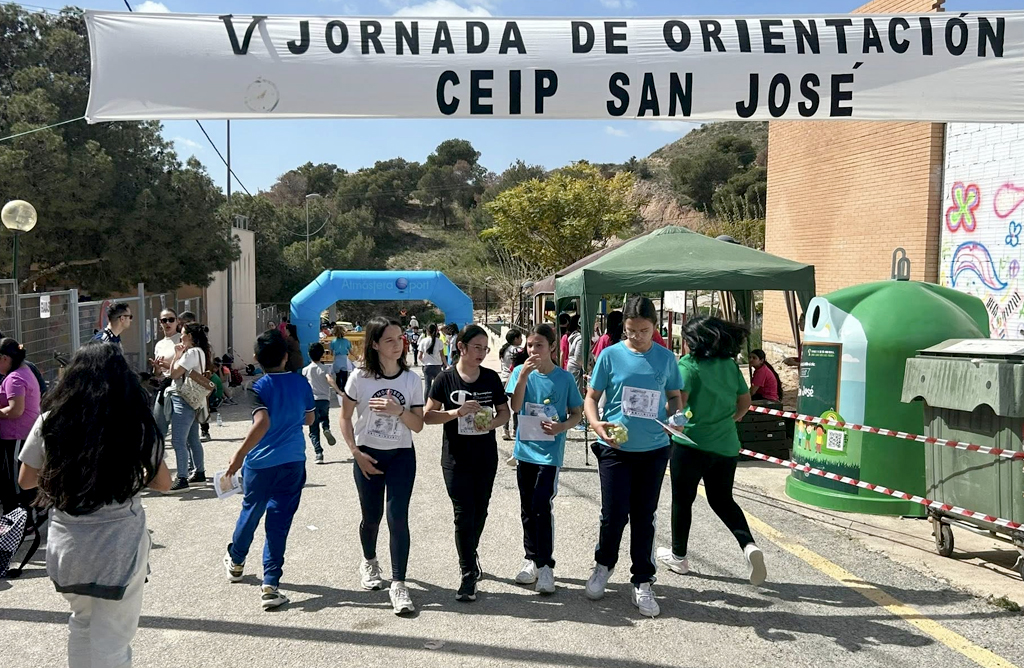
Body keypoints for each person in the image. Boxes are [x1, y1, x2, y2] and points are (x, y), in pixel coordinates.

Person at [18, 343, 172, 667]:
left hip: (69, 544)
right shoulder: (136, 421)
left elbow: (25, 480)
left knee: (82, 622)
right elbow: (163, 483)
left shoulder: (50, 420)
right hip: (120, 544)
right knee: (113, 638)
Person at [583, 295, 683, 618]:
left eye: (644, 330)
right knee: (613, 513)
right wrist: (597, 424)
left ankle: (642, 580)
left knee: (644, 516)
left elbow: (673, 397)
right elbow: (592, 397)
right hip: (615, 449)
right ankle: (603, 565)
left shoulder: (666, 359)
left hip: (654, 450)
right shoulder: (610, 356)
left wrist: (676, 417)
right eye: (631, 331)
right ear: (623, 328)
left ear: (655, 327)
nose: (638, 337)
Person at [657, 316, 766, 587]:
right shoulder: (729, 366)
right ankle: (748, 545)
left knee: (683, 500)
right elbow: (745, 401)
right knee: (723, 500)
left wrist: (670, 423)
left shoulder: (689, 366)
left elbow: (677, 407)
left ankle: (679, 556)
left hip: (691, 445)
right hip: (726, 446)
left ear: (695, 340)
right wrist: (733, 419)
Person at [223, 329, 315, 610]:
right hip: (292, 461)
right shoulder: (301, 384)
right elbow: (309, 420)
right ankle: (271, 583)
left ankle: (236, 561)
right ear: (286, 357)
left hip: (260, 463)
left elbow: (261, 422)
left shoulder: (258, 387)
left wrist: (238, 456)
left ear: (256, 358)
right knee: (279, 521)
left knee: (250, 511)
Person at [340, 316, 424, 615]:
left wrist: (398, 410)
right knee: (372, 517)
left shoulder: (412, 380)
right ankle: (370, 561)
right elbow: (345, 417)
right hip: (367, 455)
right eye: (389, 340)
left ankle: (399, 585)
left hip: (401, 456)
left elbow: (418, 426)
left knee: (397, 518)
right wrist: (355, 452)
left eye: (400, 338)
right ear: (374, 344)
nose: (398, 344)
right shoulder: (360, 378)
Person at [424, 325, 511, 602]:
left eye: (485, 349)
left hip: (485, 457)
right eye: (477, 347)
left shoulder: (490, 378)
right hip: (455, 459)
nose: (482, 353)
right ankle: (467, 573)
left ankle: (469, 554)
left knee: (480, 511)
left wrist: (491, 424)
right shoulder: (444, 379)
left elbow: (504, 412)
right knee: (463, 513)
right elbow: (427, 416)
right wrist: (456, 413)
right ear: (461, 347)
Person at [507, 324, 583, 594]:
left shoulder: (564, 378)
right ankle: (531, 560)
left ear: (552, 347)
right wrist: (524, 377)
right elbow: (515, 407)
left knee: (541, 503)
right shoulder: (519, 372)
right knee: (527, 506)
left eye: (539, 345)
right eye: (529, 345)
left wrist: (562, 427)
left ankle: (546, 564)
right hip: (524, 451)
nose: (533, 350)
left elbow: (576, 413)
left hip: (549, 453)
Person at [166, 322, 212, 492]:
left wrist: (177, 355)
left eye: (183, 333)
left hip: (182, 398)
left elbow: (173, 374)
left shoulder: (190, 353)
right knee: (193, 439)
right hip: (194, 400)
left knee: (178, 440)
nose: (180, 336)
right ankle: (199, 472)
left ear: (190, 336)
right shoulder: (200, 352)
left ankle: (182, 477)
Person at [0, 338, 41, 513]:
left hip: (17, 437)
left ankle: (25, 524)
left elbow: (15, 411)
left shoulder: (14, 378)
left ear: (4, 358)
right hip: (24, 435)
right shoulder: (25, 370)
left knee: (17, 483)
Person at [302, 342, 340, 464]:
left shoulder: (305, 370)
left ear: (309, 354)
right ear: (322, 355)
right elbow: (329, 379)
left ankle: (319, 453)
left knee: (313, 428)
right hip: (324, 399)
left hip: (312, 401)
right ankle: (326, 428)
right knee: (324, 417)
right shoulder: (325, 368)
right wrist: (338, 390)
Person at [499, 329, 524, 442]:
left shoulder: (504, 350)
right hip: (515, 380)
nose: (522, 339)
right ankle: (516, 429)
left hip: (504, 378)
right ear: (515, 338)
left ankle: (505, 430)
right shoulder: (519, 351)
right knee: (516, 407)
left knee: (506, 407)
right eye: (520, 337)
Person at [565, 314, 587, 432]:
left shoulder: (575, 336)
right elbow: (579, 357)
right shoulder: (580, 338)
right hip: (576, 368)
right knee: (577, 393)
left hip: (574, 366)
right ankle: (577, 420)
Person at [418, 323, 445, 398]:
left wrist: (425, 362)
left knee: (427, 386)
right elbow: (442, 355)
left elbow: (419, 356)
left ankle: (427, 404)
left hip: (427, 367)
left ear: (427, 331)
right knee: (438, 386)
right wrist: (446, 364)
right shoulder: (439, 341)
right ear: (436, 331)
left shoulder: (423, 341)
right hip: (437, 366)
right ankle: (437, 403)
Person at [330, 325, 353, 391]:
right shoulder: (347, 341)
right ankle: (344, 389)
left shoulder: (333, 342)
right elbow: (351, 351)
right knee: (344, 376)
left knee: (338, 375)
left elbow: (331, 352)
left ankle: (338, 390)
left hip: (337, 358)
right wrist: (356, 356)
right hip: (344, 359)